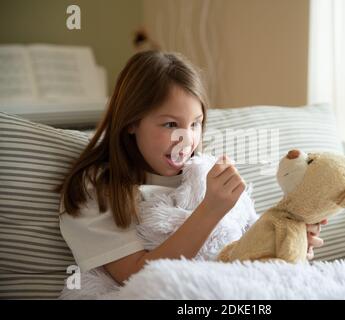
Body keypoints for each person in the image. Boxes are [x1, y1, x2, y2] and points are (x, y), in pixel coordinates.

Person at [58, 50, 326, 286]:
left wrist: (292, 244)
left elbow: (251, 247)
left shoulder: (206, 175)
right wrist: (210, 210)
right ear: (132, 122)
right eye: (170, 125)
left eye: (195, 124)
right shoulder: (96, 187)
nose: (187, 140)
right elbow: (137, 280)